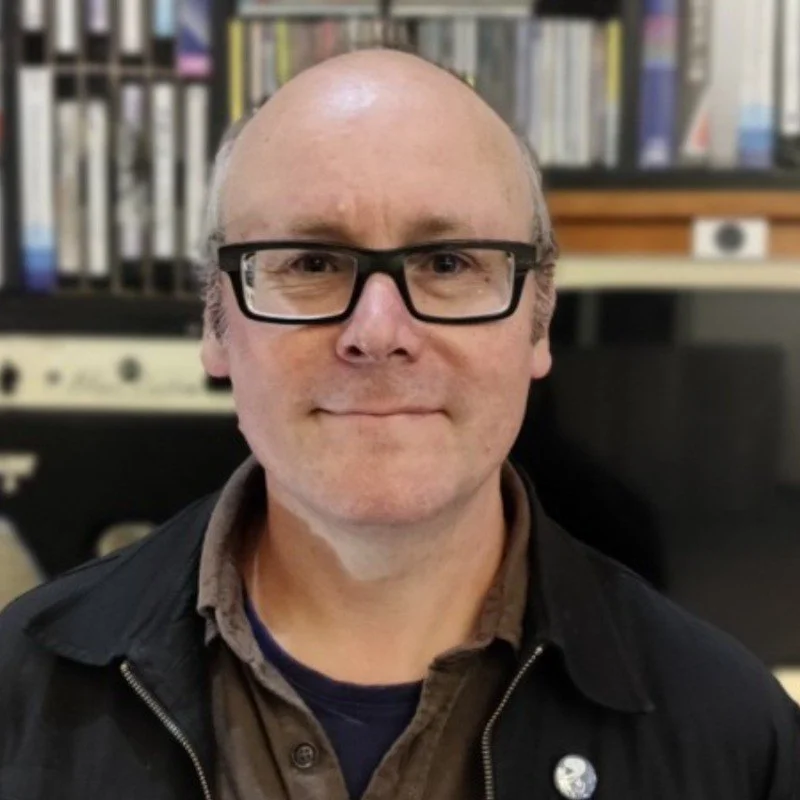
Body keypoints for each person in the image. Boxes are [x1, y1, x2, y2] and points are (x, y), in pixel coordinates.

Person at [0, 49, 797, 800]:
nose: (377, 332)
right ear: (215, 319)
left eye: (448, 263)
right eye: (311, 263)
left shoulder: (735, 741)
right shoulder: (19, 694)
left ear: (539, 318)